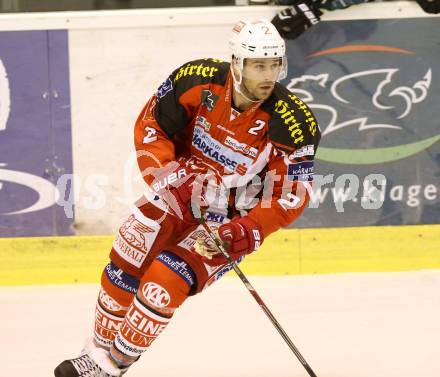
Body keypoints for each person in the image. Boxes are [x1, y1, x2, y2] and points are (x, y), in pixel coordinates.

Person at [54, 19, 321, 377]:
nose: (268, 75)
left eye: (275, 65)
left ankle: (113, 366)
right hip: (181, 189)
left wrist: (244, 229)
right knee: (129, 251)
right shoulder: (195, 79)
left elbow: (291, 195)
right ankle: (96, 354)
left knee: (167, 277)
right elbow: (152, 126)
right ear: (237, 63)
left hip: (230, 215)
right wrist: (166, 175)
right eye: (259, 65)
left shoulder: (293, 122)